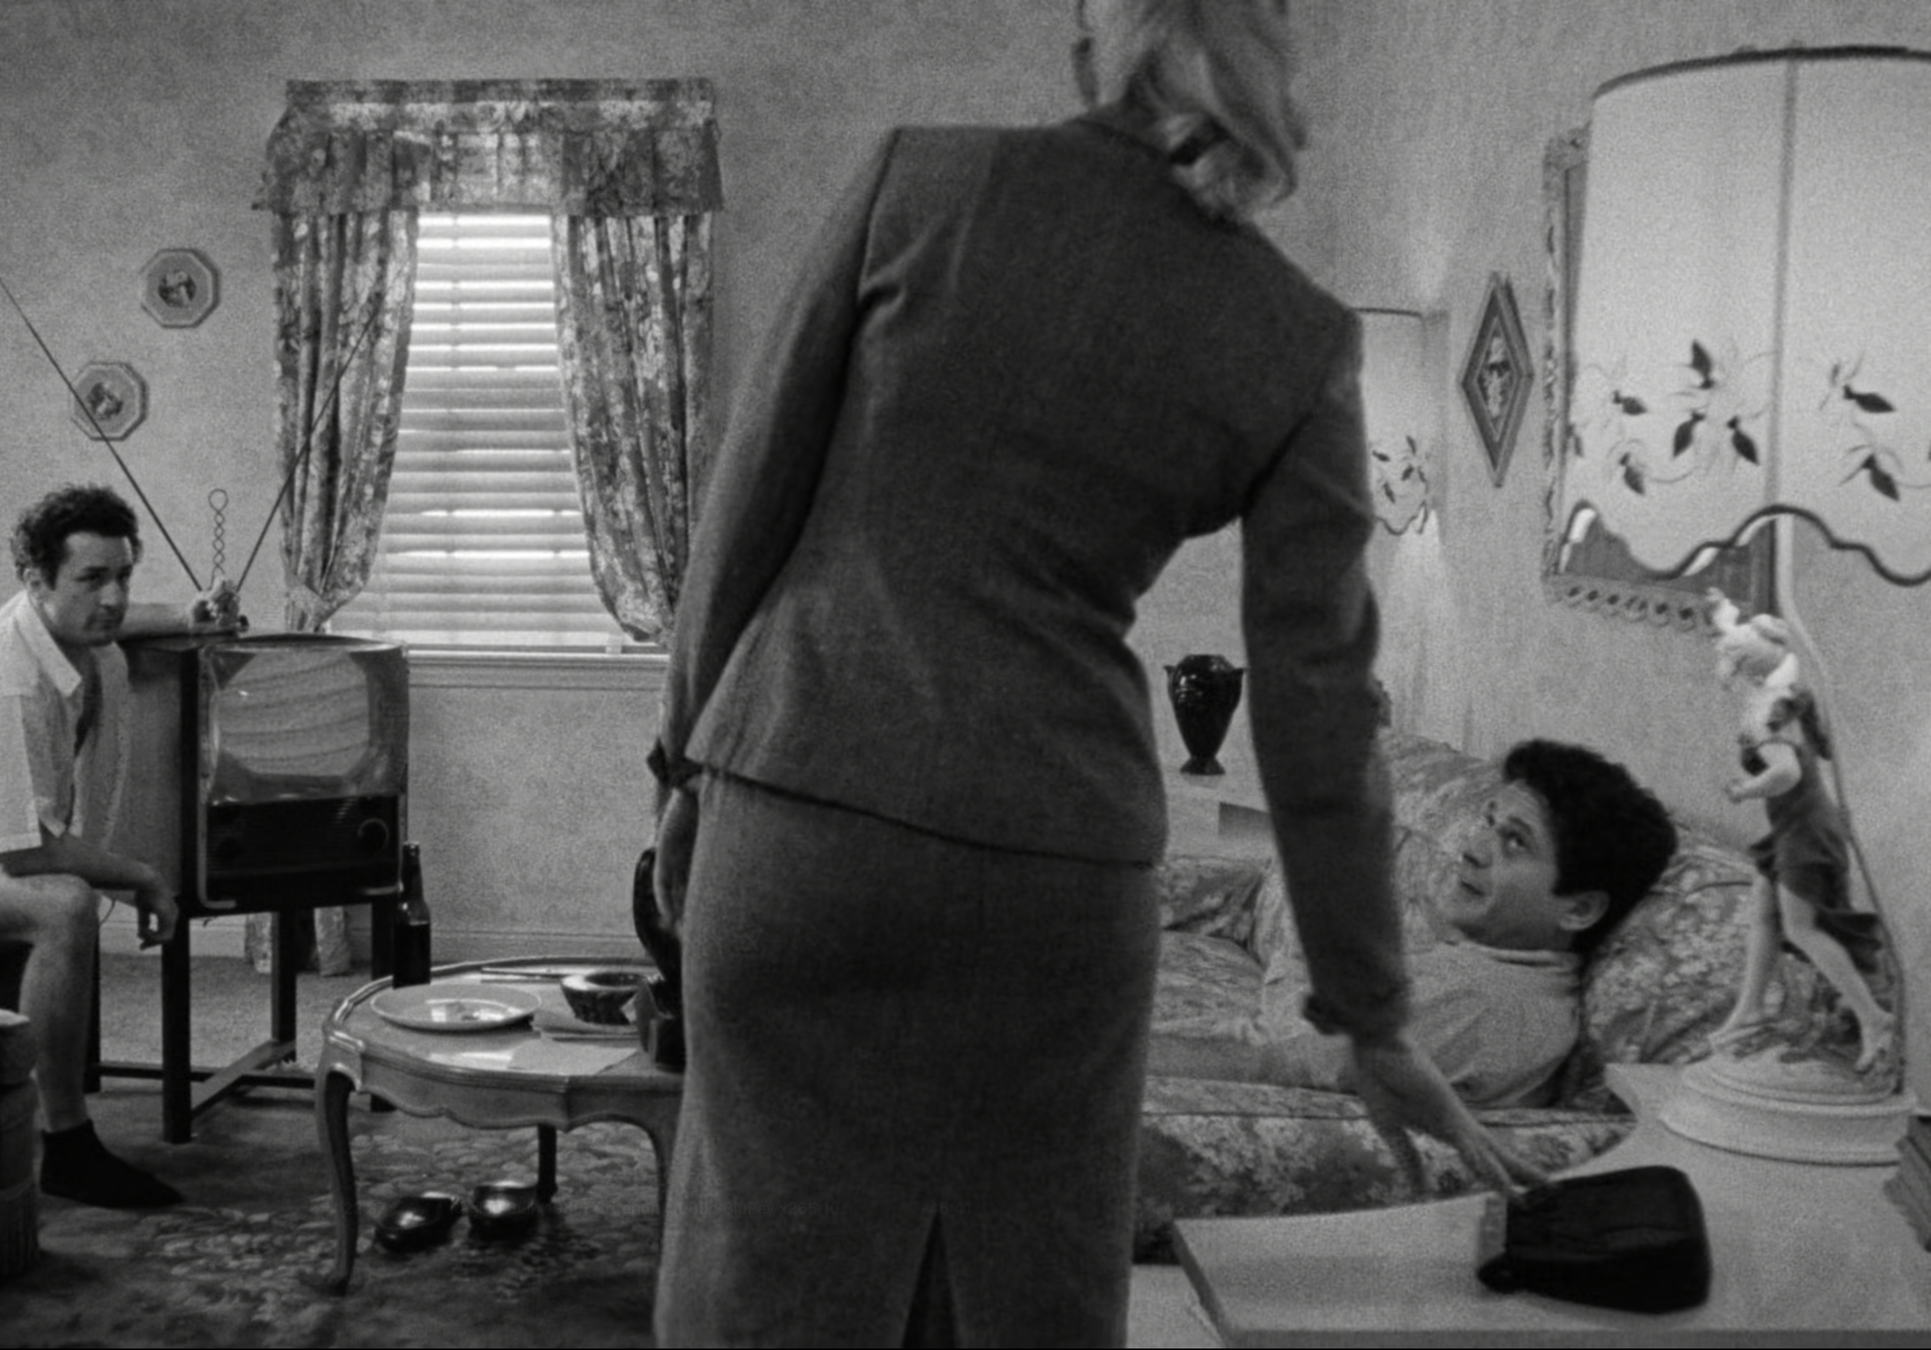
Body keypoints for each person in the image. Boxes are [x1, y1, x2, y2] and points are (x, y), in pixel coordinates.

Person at [647, 3, 1546, 1343]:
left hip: (804, 805)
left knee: (763, 1265)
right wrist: (1370, 1016)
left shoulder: (917, 180)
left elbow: (746, 502)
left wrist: (681, 771)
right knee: (1022, 1287)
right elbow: (1316, 708)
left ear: (1091, 53)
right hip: (1058, 870)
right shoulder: (1299, 337)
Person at [0, 483, 237, 1209]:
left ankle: (46, 1112)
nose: (114, 597)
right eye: (92, 578)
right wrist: (141, 876)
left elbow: (108, 622)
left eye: (123, 575)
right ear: (36, 582)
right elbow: (27, 852)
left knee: (68, 894)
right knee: (63, 903)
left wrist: (182, 616)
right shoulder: (9, 685)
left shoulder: (57, 626)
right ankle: (68, 1147)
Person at [1150, 740, 1680, 1109]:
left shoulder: (1482, 1000)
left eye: (1515, 842)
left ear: (1579, 909)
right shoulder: (1487, 959)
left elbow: (1272, 1069)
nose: (1473, 849)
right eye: (1488, 822)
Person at [1704, 591, 1893, 1070]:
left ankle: (1873, 1018)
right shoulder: (1783, 699)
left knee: (1800, 926)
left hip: (1806, 831)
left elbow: (1785, 773)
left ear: (1746, 668)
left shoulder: (1768, 713)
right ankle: (1749, 1008)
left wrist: (1744, 790)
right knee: (1764, 912)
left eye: (1730, 661)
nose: (1723, 671)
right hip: (1794, 825)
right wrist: (1724, 613)